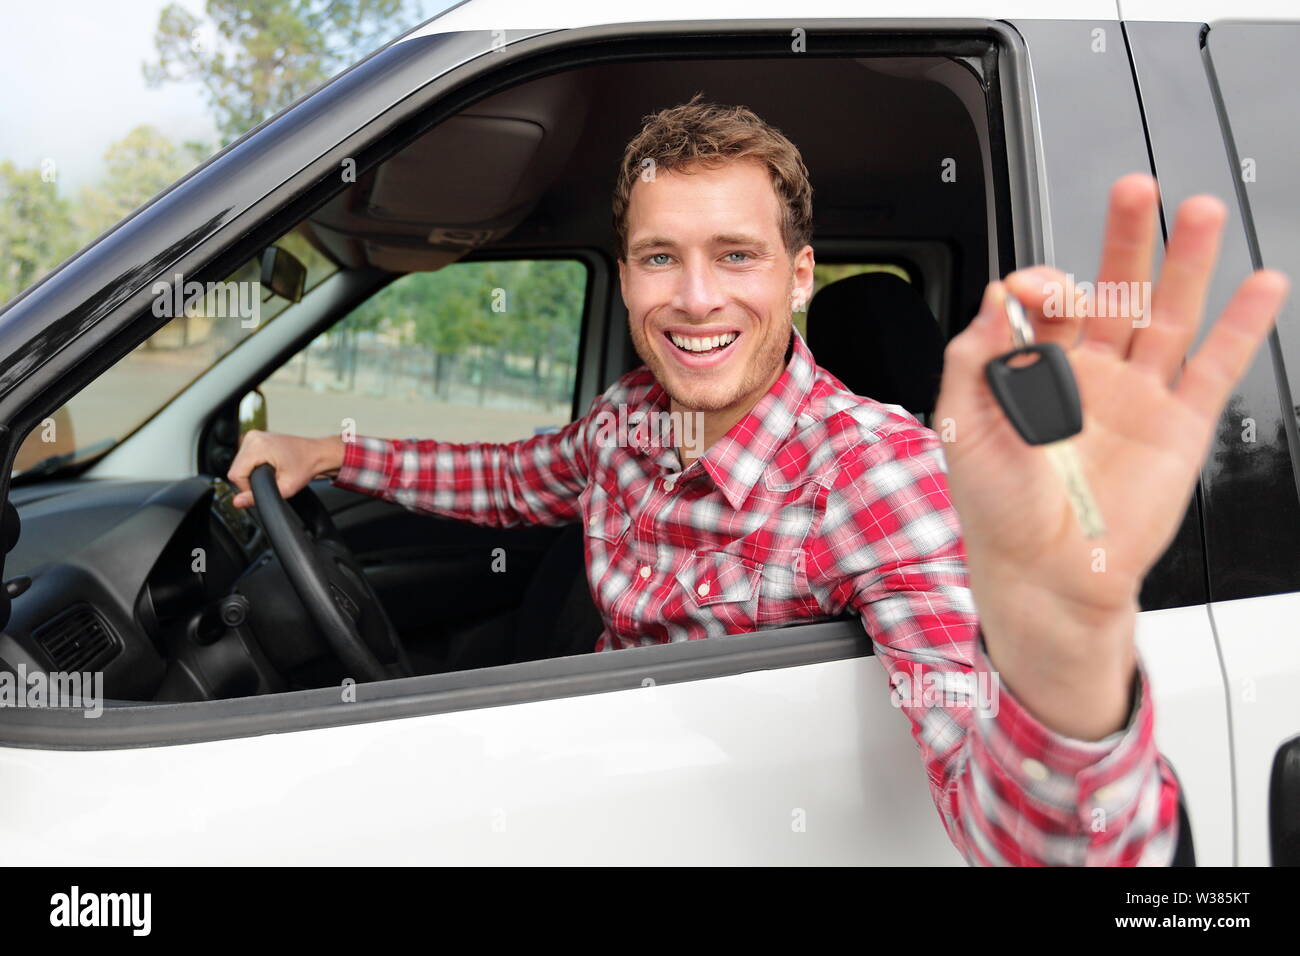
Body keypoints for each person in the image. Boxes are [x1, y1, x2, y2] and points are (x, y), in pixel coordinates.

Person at [228, 97, 1289, 866]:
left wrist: (1062, 650)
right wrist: (331, 451)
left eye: (736, 256)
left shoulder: (876, 472)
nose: (694, 299)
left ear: (796, 274)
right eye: (657, 257)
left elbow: (1041, 840)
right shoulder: (633, 415)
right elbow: (520, 477)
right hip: (589, 786)